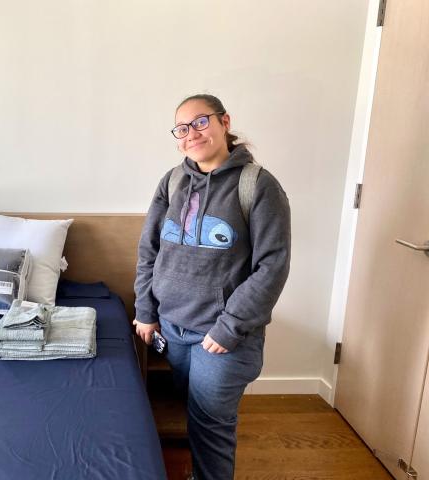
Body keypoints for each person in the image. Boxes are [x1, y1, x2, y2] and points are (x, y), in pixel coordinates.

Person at [133, 94, 291, 480]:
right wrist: (145, 310)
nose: (192, 134)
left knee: (211, 427)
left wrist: (229, 326)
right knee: (194, 413)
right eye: (183, 129)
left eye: (201, 122)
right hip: (172, 329)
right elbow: (149, 249)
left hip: (222, 336)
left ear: (224, 122)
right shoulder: (172, 181)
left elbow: (272, 266)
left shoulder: (259, 186)